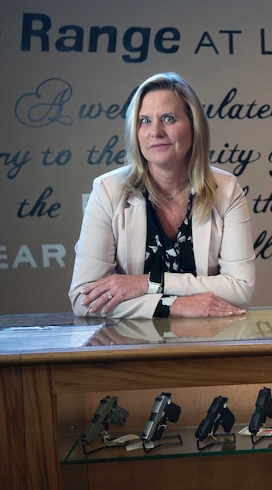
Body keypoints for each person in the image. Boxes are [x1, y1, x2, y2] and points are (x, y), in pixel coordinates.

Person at [69, 72, 255, 319]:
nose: (155, 131)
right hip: (131, 346)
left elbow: (240, 289)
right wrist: (172, 306)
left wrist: (147, 283)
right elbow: (85, 299)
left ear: (194, 125)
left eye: (168, 118)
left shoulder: (227, 189)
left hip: (210, 343)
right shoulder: (107, 190)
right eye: (144, 121)